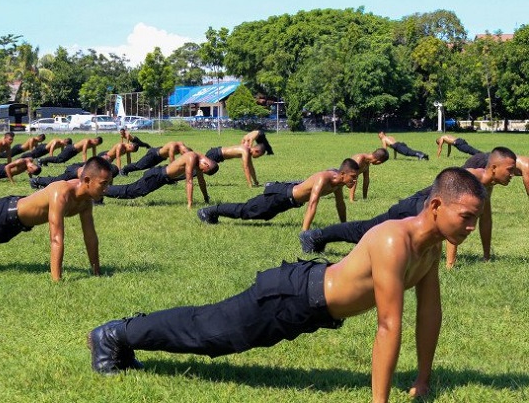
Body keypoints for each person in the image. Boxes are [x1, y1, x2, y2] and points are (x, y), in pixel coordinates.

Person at [88, 167, 487, 402]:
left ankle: (123, 335)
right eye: (465, 217)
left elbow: (429, 313)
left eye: (475, 218)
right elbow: (388, 325)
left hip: (309, 306)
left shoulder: (431, 247)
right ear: (435, 206)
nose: (470, 227)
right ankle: (113, 334)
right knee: (211, 334)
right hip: (290, 295)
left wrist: (422, 380)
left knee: (215, 333)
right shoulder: (392, 241)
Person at [300, 147, 516, 269]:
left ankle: (319, 236)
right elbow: (452, 220)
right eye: (510, 170)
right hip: (414, 206)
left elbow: (485, 220)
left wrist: (487, 256)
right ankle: (316, 235)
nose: (512, 175)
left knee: (373, 234)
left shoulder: (485, 186)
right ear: (494, 167)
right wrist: (450, 264)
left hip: (423, 209)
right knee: (367, 231)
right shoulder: (472, 179)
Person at [198, 159, 359, 229]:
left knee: (262, 215)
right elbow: (312, 204)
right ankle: (209, 211)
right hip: (281, 195)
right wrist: (305, 232)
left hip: (289, 201)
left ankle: (213, 212)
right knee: (246, 210)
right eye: (353, 177)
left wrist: (343, 226)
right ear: (344, 173)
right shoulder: (324, 178)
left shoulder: (338, 184)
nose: (355, 180)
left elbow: (340, 205)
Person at [104, 151, 218, 210]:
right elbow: (189, 181)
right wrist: (189, 204)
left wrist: (206, 198)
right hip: (157, 176)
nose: (202, 172)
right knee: (131, 192)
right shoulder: (192, 158)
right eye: (204, 171)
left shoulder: (199, 160)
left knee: (132, 191)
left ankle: (102, 189)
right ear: (206, 165)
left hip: (161, 177)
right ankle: (101, 190)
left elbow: (201, 181)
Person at [120, 141, 191, 176]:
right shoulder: (173, 146)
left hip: (160, 157)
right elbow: (172, 161)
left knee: (149, 167)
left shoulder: (183, 147)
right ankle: (124, 170)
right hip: (154, 154)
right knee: (139, 166)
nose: (183, 155)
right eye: (183, 154)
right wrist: (173, 171)